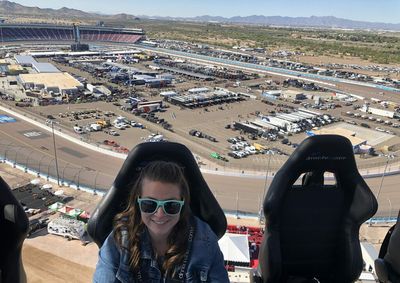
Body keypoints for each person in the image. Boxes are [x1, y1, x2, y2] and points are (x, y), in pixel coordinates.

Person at [93, 161, 229, 282]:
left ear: (182, 204)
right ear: (138, 202)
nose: (160, 214)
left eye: (171, 205)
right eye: (149, 204)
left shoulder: (205, 241)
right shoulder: (119, 241)